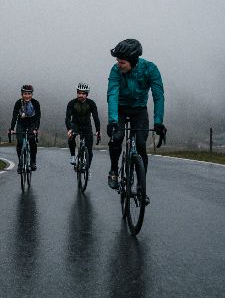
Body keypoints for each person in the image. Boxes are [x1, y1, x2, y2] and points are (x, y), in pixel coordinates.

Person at [106, 39, 166, 201]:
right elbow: (112, 94)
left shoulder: (150, 69)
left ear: (132, 61)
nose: (119, 64)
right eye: (117, 61)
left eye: (122, 62)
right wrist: (112, 121)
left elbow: (158, 96)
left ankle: (141, 186)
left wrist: (158, 122)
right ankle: (113, 170)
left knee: (140, 144)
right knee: (117, 137)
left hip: (139, 110)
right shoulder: (115, 70)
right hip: (119, 108)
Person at [65, 83, 101, 167]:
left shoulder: (91, 103)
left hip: (87, 126)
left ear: (87, 94)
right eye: (79, 93)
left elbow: (96, 117)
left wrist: (98, 130)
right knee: (71, 137)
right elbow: (67, 118)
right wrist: (69, 129)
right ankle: (73, 156)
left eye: (83, 93)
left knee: (89, 151)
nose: (81, 95)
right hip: (75, 125)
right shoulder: (72, 103)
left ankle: (87, 169)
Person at [8, 84, 41, 172]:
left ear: (32, 94)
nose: (27, 96)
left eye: (29, 94)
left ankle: (33, 161)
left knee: (32, 141)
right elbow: (14, 116)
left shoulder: (35, 103)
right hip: (21, 123)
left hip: (32, 123)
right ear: (22, 94)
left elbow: (38, 117)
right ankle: (20, 163)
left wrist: (36, 129)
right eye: (25, 94)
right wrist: (11, 128)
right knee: (19, 142)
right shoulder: (18, 103)